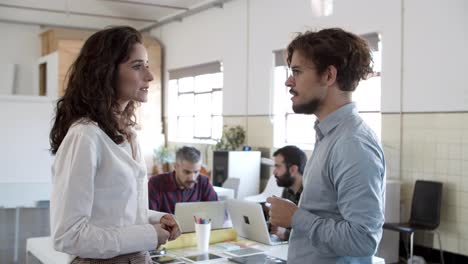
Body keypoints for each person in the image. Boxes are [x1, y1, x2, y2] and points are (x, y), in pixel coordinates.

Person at [49, 26, 180, 263]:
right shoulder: (85, 136)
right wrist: (148, 234)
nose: (149, 76)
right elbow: (68, 235)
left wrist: (156, 219)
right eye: (137, 66)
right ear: (105, 72)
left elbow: (115, 216)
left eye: (147, 65)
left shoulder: (129, 134)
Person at [266, 28, 386, 264]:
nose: (288, 81)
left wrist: (297, 217)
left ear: (329, 76)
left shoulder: (353, 144)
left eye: (297, 72)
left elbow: (363, 239)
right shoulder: (329, 136)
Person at [148, 146, 218, 214]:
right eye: (187, 172)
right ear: (175, 166)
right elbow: (150, 216)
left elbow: (217, 211)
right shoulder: (155, 184)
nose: (192, 178)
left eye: (196, 172)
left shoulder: (203, 182)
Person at [269, 145, 307, 241]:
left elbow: (312, 232)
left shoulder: (310, 194)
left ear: (293, 169)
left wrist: (286, 234)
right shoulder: (288, 190)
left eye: (278, 166)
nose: (274, 172)